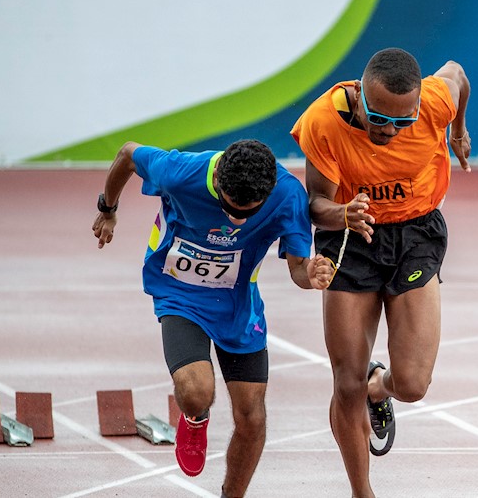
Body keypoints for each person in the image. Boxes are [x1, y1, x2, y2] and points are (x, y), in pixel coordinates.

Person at [92, 139, 333, 497]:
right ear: (218, 178)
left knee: (251, 417)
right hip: (179, 293)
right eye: (229, 207)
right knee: (195, 393)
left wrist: (309, 276)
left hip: (238, 303)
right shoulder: (181, 172)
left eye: (247, 213)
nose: (236, 219)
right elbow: (128, 153)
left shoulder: (288, 196)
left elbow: (298, 268)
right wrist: (108, 208)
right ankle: (195, 418)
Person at [291, 47, 471, 497]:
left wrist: (459, 131)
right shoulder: (323, 122)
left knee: (412, 384)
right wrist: (343, 214)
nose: (390, 131)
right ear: (359, 96)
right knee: (345, 381)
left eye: (402, 122)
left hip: (415, 234)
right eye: (379, 120)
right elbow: (315, 204)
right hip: (352, 236)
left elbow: (458, 72)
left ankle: (380, 386)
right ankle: (361, 491)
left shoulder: (434, 100)